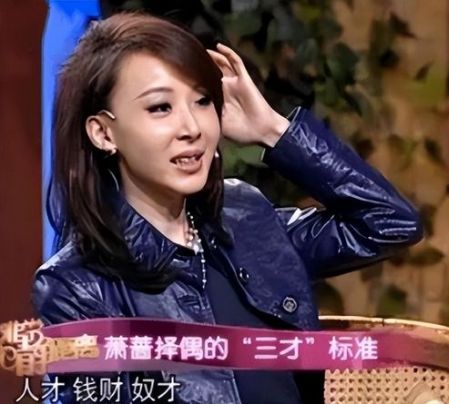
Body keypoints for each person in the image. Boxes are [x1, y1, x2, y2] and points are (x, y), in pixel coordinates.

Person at [32, 12, 423, 404]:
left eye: (203, 101)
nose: (192, 128)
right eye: (161, 108)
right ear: (103, 132)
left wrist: (271, 129)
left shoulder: (246, 218)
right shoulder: (76, 286)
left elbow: (390, 223)